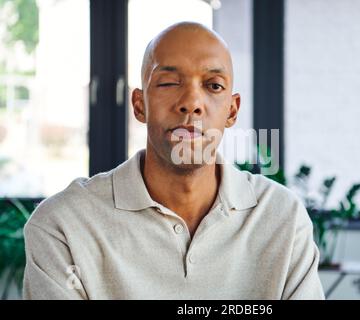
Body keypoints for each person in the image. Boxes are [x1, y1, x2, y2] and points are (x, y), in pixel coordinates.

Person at [22, 22, 324, 299]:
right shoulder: (62, 225)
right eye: (168, 83)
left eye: (213, 85)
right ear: (140, 106)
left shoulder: (283, 219)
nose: (191, 103)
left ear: (232, 111)